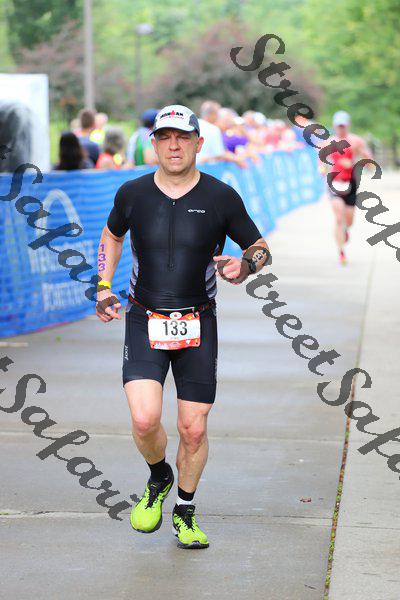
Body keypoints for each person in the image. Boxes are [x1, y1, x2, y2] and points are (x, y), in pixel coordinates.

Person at [96, 104, 270, 549]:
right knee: (144, 419)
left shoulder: (221, 196)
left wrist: (246, 265)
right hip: (144, 319)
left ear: (198, 143)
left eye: (183, 137)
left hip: (198, 322)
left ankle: (185, 511)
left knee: (193, 428)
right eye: (165, 137)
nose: (174, 146)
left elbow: (259, 246)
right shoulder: (133, 193)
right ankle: (159, 475)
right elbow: (112, 235)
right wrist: (103, 286)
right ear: (153, 144)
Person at [326, 111, 373, 265]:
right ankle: (341, 252)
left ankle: (346, 230)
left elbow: (369, 161)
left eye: (343, 126)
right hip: (334, 182)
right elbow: (321, 161)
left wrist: (356, 163)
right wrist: (323, 168)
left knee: (349, 220)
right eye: (338, 126)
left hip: (350, 183)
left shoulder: (356, 141)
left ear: (348, 125)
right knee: (339, 217)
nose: (341, 129)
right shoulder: (329, 142)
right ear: (334, 126)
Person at [196, 100, 246, 168]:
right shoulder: (213, 129)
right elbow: (220, 154)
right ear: (212, 114)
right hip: (206, 169)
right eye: (217, 114)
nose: (218, 117)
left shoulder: (194, 125)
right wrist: (237, 160)